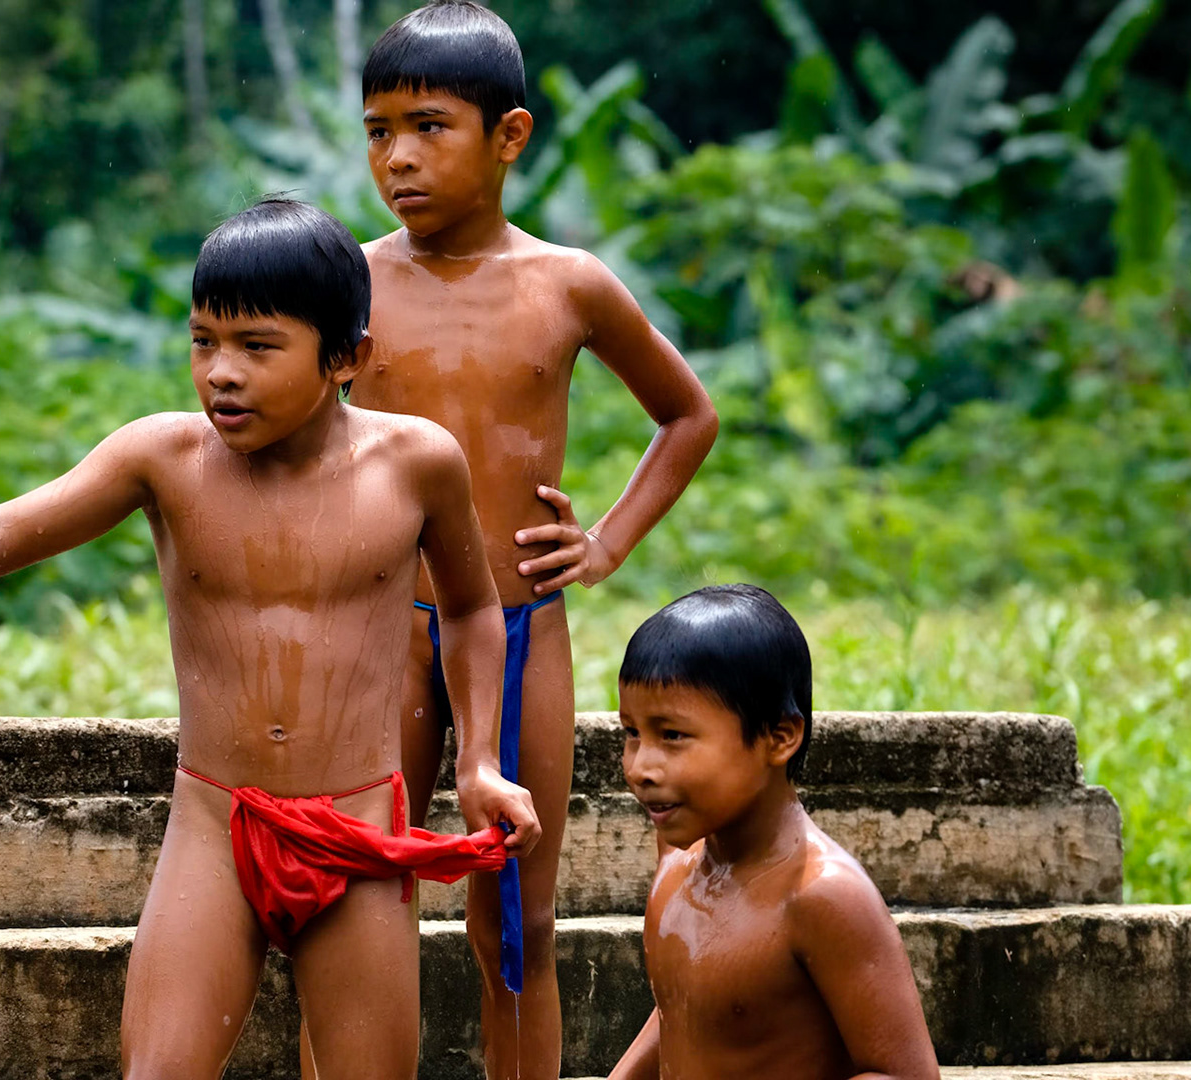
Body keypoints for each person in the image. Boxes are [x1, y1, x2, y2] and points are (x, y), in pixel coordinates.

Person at [0, 197, 541, 1080]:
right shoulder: (162, 458)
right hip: (213, 828)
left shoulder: (417, 462)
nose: (221, 373)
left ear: (347, 357)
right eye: (203, 342)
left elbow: (467, 610)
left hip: (356, 831)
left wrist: (479, 764)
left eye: (258, 347)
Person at [347, 3, 720, 1076]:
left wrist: (603, 543)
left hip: (520, 629)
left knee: (516, 920)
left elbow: (687, 414)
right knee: (355, 902)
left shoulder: (568, 285)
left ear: (509, 136)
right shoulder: (350, 282)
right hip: (380, 636)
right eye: (378, 131)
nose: (399, 158)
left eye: (429, 126)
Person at [609, 585, 941, 1080]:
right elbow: (685, 1013)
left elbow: (906, 1077)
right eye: (632, 733)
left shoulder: (822, 897)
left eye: (672, 735)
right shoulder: (678, 860)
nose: (640, 767)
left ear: (779, 737)